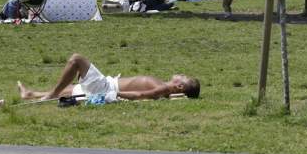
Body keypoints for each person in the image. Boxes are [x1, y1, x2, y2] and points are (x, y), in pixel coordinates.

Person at [12, 53, 200, 103]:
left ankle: (49, 94)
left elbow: (141, 95)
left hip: (107, 88)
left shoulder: (163, 88)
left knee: (76, 59)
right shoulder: (166, 91)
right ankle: (31, 94)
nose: (181, 74)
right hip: (107, 85)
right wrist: (180, 97)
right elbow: (165, 96)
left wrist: (116, 95)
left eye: (183, 77)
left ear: (179, 86)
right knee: (71, 90)